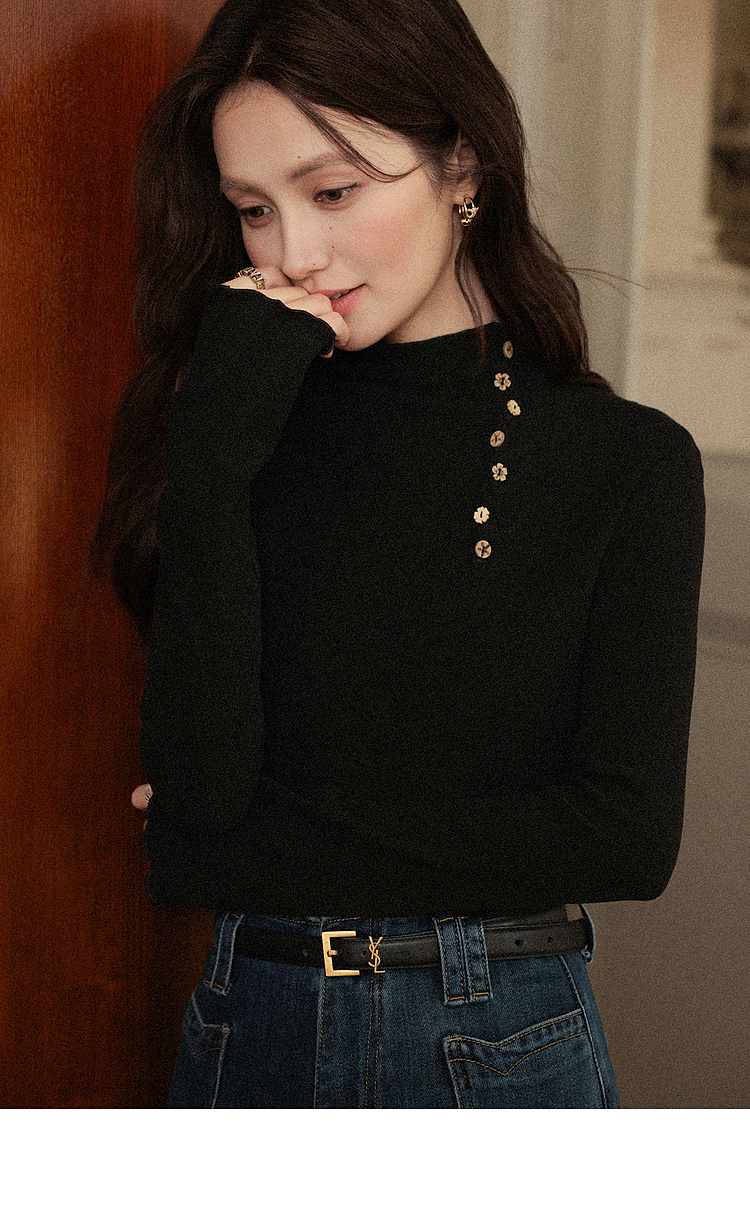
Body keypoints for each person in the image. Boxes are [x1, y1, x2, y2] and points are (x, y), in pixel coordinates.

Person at [93, 0, 704, 1109]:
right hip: (250, 1016)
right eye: (253, 210)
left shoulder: (627, 462)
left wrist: (253, 843)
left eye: (332, 192)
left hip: (499, 1033)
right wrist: (215, 455)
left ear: (460, 162)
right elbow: (201, 793)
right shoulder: (233, 424)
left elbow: (622, 837)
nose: (294, 253)